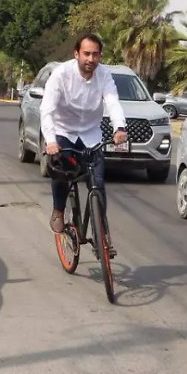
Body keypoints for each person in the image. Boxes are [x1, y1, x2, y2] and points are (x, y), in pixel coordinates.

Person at [40, 33, 128, 235]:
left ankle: (101, 231)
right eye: (86, 54)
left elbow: (113, 102)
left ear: (100, 56)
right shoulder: (61, 74)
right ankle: (59, 210)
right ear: (76, 54)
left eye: (95, 55)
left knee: (97, 183)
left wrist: (119, 128)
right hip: (64, 132)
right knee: (61, 174)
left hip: (91, 135)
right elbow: (47, 110)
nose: (91, 59)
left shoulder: (104, 75)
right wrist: (51, 141)